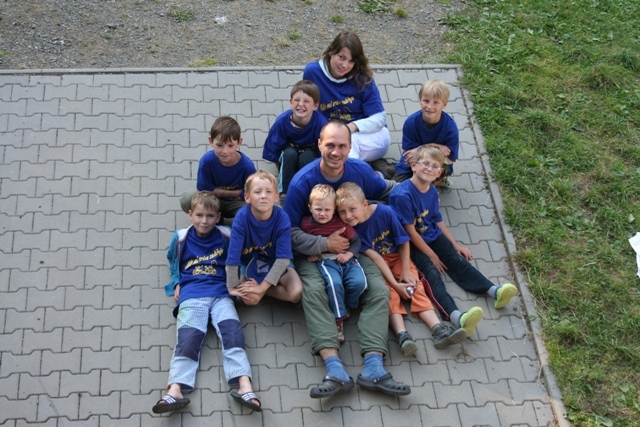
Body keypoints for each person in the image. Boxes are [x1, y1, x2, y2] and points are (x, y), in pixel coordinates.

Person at [283, 120, 410, 398]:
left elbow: (386, 189)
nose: (335, 152)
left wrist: (418, 190)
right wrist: (324, 243)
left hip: (353, 249)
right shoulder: (302, 182)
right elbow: (287, 232)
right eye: (330, 145)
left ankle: (374, 368)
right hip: (313, 254)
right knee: (313, 292)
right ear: (319, 144)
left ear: (350, 147)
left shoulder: (360, 170)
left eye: (342, 146)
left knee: (378, 291)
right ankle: (335, 369)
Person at [389, 145, 519, 337]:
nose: (429, 168)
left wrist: (454, 244)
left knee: (456, 259)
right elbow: (410, 232)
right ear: (413, 165)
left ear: (439, 173)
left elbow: (437, 219)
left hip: (431, 234)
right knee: (432, 276)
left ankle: (494, 291)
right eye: (425, 163)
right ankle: (456, 316)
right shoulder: (402, 195)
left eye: (435, 166)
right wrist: (432, 255)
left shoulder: (432, 191)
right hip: (410, 244)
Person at [153, 191, 261, 415]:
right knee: (188, 338)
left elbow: (240, 259)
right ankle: (175, 389)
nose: (204, 221)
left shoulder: (226, 235)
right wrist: (176, 282)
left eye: (210, 216)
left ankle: (244, 385)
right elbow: (173, 260)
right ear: (190, 215)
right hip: (192, 294)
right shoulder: (181, 237)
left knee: (233, 334)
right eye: (199, 215)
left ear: (218, 217)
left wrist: (240, 282)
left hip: (222, 294)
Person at [336, 182, 467, 356]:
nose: (348, 216)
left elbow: (404, 242)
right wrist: (395, 284)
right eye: (342, 212)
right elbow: (375, 257)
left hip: (398, 256)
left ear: (364, 204)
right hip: (377, 263)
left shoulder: (385, 212)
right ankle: (402, 335)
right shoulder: (351, 231)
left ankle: (438, 328)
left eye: (352, 209)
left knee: (415, 286)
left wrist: (405, 269)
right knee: (389, 294)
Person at [303, 31, 390, 162]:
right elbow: (307, 105)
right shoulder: (313, 72)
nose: (344, 65)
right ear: (331, 51)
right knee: (336, 147)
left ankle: (350, 170)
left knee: (346, 144)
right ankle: (361, 169)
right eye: (341, 57)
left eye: (351, 61)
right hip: (330, 134)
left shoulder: (363, 78)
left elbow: (379, 119)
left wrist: (351, 127)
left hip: (366, 135)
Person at [299, 184, 367, 344]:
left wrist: (349, 254)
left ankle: (348, 305)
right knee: (334, 284)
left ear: (334, 210)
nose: (322, 214)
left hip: (348, 259)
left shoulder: (341, 224)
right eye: (318, 209)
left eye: (327, 210)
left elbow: (356, 241)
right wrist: (311, 252)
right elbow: (303, 243)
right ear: (309, 207)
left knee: (360, 283)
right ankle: (338, 319)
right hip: (327, 261)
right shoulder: (306, 225)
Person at [226, 170, 302, 306]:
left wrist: (261, 288)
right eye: (257, 192)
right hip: (250, 261)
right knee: (250, 299)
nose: (263, 196)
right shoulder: (241, 218)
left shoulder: (282, 218)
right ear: (247, 197)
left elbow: (283, 259)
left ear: (277, 196)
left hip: (275, 260)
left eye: (269, 192)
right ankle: (262, 287)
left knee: (296, 293)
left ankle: (263, 288)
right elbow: (233, 255)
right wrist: (231, 287)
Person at [180, 116, 256, 220]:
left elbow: (251, 192)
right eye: (219, 145)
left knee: (253, 211)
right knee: (187, 200)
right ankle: (215, 220)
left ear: (239, 142)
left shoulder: (247, 166)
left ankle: (222, 223)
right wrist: (238, 193)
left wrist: (217, 191)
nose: (225, 151)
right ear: (211, 141)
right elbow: (205, 190)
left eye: (230, 145)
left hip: (236, 203)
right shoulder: (206, 161)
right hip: (213, 200)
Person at [262, 80, 328, 199]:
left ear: (315, 106)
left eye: (306, 101)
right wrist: (283, 169)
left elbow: (324, 152)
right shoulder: (282, 122)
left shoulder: (321, 124)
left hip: (310, 154)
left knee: (307, 156)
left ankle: (307, 191)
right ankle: (285, 192)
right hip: (289, 153)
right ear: (291, 102)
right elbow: (273, 150)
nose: (301, 104)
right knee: (289, 154)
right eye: (297, 100)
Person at [392, 80, 459, 188]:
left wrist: (422, 149)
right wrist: (435, 146)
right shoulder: (411, 122)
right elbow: (410, 153)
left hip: (436, 163)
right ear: (420, 100)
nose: (430, 107)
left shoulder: (450, 128)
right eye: (426, 101)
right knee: (396, 186)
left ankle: (437, 181)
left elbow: (450, 157)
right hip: (414, 161)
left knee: (424, 185)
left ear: (444, 104)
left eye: (436, 102)